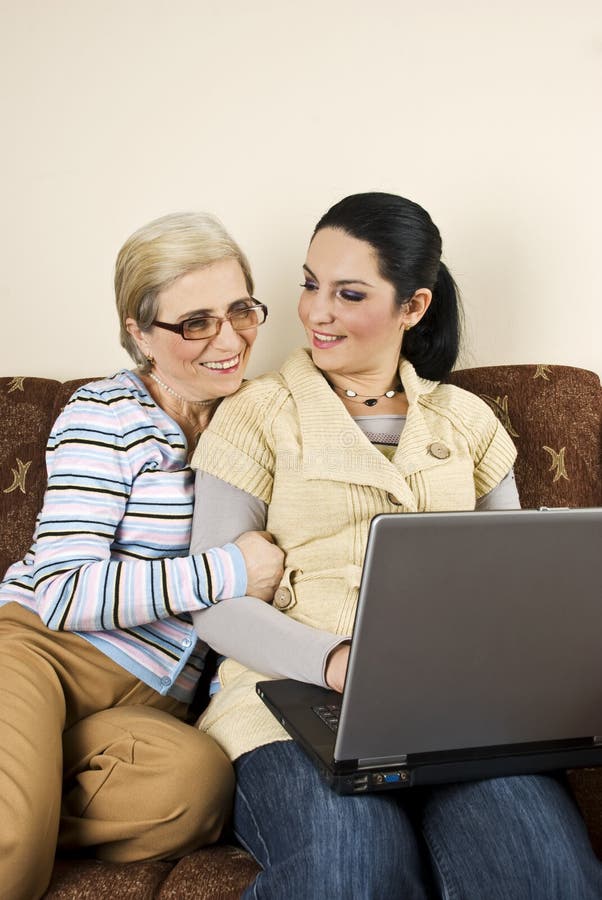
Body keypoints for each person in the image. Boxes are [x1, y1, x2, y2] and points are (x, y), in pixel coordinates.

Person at [189, 193, 602, 898]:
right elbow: (215, 601)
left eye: (349, 293)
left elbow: (514, 589)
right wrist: (339, 661)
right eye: (310, 283)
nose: (317, 311)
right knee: (351, 869)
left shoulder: (466, 422)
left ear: (413, 307)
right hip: (285, 705)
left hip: (455, 714)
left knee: (542, 872)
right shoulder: (255, 413)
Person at [0, 211, 284, 900]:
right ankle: (22, 810)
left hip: (155, 701)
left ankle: (32, 792)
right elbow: (66, 593)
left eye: (241, 310)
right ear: (138, 331)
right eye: (195, 322)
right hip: (44, 652)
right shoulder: (107, 415)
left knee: (197, 791)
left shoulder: (253, 417)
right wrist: (233, 571)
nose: (229, 339)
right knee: (11, 836)